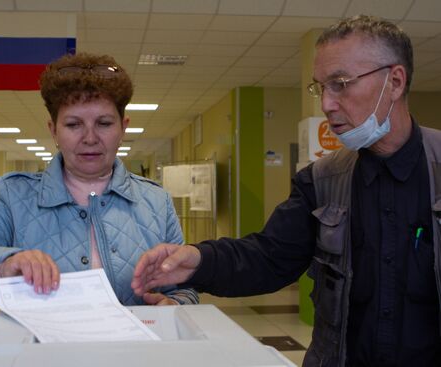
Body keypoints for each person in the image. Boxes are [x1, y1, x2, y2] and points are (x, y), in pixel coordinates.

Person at [131, 15, 441, 367]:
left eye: (340, 83)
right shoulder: (322, 182)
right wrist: (198, 261)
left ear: (395, 81)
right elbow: (269, 257)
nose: (326, 103)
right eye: (320, 87)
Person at [0, 52, 198, 307]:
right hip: (44, 353)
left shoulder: (156, 201)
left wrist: (176, 302)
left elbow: (185, 286)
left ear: (123, 128)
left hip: (135, 351)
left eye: (104, 123)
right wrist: (5, 264)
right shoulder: (14, 196)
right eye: (73, 125)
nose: (90, 138)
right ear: (53, 130)